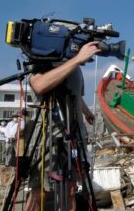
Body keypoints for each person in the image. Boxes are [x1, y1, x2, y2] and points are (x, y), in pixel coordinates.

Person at [24, 41, 99, 211]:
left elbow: (76, 96)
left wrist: (87, 113)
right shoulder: (43, 62)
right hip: (48, 134)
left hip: (74, 135)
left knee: (71, 189)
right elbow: (39, 85)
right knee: (40, 191)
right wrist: (77, 59)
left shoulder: (76, 69)